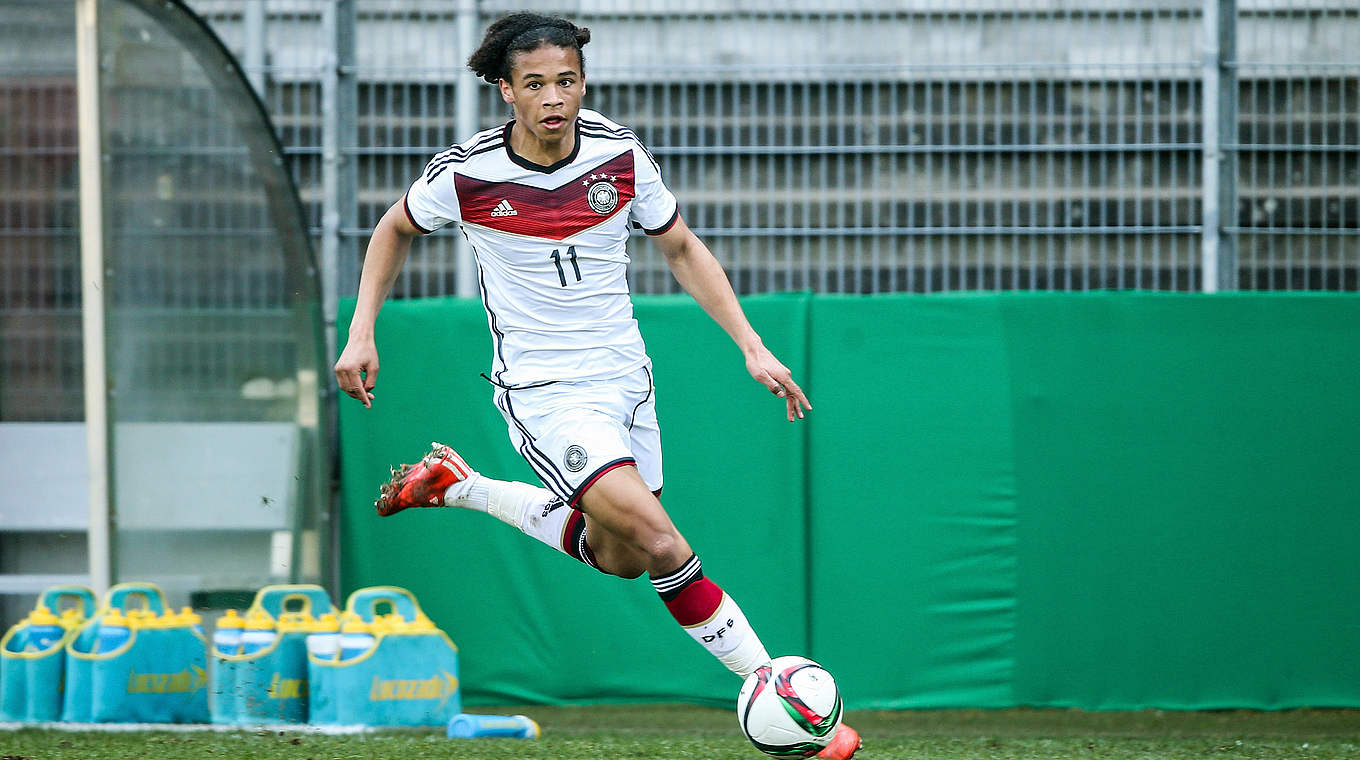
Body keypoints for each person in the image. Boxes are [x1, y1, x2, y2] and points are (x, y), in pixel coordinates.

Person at [333, 12, 859, 759]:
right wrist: (362, 331)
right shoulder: (467, 173)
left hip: (625, 380)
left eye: (568, 81)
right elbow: (393, 230)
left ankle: (460, 486)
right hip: (545, 392)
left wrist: (753, 345)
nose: (555, 97)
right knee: (661, 541)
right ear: (506, 91)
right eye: (536, 84)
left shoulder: (619, 156)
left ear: (584, 83)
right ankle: (790, 703)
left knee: (622, 557)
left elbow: (680, 245)